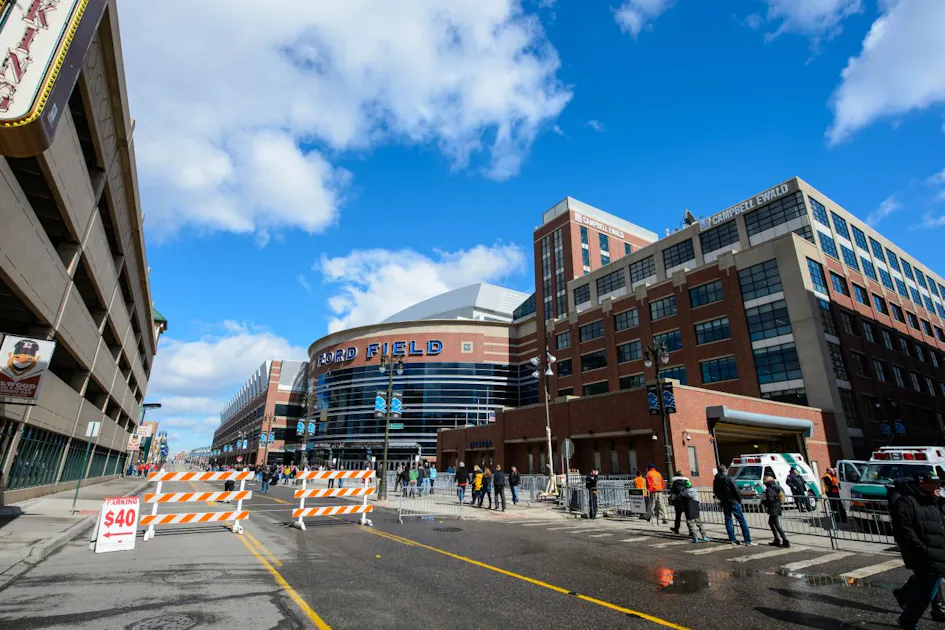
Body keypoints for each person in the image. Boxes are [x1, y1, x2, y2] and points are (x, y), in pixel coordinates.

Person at [889, 473, 945, 629]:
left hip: (937, 553)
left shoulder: (932, 500)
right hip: (924, 555)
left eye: (939, 484)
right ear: (922, 484)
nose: (938, 487)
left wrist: (939, 500)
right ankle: (909, 620)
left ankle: (906, 599)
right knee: (924, 593)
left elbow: (940, 522)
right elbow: (905, 530)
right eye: (935, 484)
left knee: (925, 588)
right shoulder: (906, 502)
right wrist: (922, 549)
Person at [713, 465, 754, 546]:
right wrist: (739, 500)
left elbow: (715, 491)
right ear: (725, 470)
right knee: (741, 521)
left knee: (728, 520)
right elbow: (736, 490)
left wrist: (721, 499)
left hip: (724, 502)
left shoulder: (716, 480)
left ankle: (732, 539)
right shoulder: (729, 478)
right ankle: (747, 540)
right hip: (733, 501)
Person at [761, 475, 790, 548]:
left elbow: (770, 499)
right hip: (777, 507)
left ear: (766, 482)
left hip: (773, 508)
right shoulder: (777, 487)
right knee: (771, 523)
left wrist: (763, 502)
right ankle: (777, 540)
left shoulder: (769, 489)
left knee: (777, 525)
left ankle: (785, 541)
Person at [668, 470, 689, 534]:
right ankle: (691, 530)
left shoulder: (675, 482)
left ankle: (676, 529)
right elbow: (690, 489)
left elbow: (673, 491)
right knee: (688, 516)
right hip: (686, 499)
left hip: (678, 501)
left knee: (678, 516)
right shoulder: (687, 481)